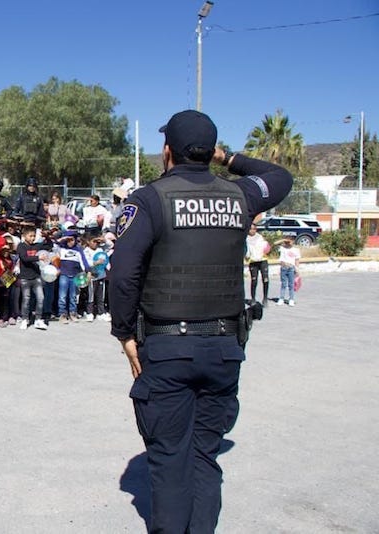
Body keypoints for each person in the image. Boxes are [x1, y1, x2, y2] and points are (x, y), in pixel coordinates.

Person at [110, 110, 293, 533]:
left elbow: (124, 273)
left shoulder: (150, 199)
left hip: (168, 348)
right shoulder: (241, 194)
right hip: (225, 348)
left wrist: (124, 335)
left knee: (171, 461)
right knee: (205, 458)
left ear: (167, 150)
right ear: (211, 151)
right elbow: (279, 176)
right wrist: (228, 160)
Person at [245, 223, 270, 305]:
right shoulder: (246, 239)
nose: (252, 231)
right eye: (250, 229)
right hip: (253, 262)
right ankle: (253, 299)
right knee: (254, 280)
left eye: (254, 229)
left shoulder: (260, 238)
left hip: (262, 260)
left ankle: (265, 298)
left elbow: (266, 248)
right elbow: (245, 251)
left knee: (265, 279)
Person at [276, 238, 301, 306]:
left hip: (291, 268)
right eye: (288, 241)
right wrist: (283, 240)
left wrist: (297, 269)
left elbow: (297, 260)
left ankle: (291, 299)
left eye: (291, 241)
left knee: (291, 284)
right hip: (283, 267)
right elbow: (275, 243)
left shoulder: (296, 250)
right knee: (283, 284)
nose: (289, 243)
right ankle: (281, 298)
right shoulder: (283, 248)